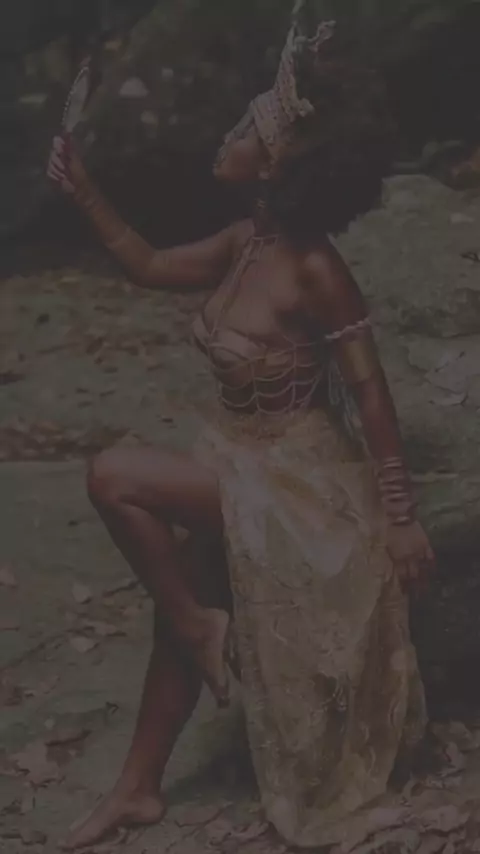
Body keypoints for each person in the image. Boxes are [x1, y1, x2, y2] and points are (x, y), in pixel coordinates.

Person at [48, 6, 435, 851]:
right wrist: (84, 190)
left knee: (115, 474)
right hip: (238, 458)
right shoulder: (245, 241)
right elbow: (149, 265)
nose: (226, 136)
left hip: (300, 486)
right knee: (177, 608)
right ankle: (138, 788)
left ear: (278, 163)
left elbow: (372, 396)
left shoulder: (317, 269)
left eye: (245, 129)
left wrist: (402, 516)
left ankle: (198, 624)